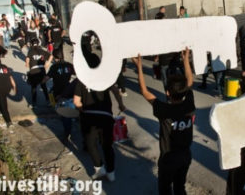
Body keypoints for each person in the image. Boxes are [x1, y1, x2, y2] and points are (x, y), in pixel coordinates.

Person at [133, 47, 195, 195]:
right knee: (180, 187)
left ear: (167, 93)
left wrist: (139, 67)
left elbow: (144, 91)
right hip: (185, 156)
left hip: (168, 160)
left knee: (165, 190)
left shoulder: (164, 110)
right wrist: (186, 59)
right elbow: (190, 81)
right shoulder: (189, 104)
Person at [73, 50, 126, 181]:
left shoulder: (82, 79)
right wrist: (120, 104)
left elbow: (76, 101)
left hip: (89, 118)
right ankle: (111, 173)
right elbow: (115, 91)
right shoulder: (105, 77)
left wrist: (82, 111)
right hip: (106, 116)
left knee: (91, 144)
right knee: (107, 145)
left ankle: (99, 168)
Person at [42, 49, 75, 139]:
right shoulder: (69, 65)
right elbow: (76, 73)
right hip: (68, 89)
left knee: (54, 98)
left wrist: (41, 80)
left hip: (58, 90)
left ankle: (67, 131)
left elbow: (46, 78)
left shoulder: (54, 67)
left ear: (55, 57)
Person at [25, 38, 53, 108]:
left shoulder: (30, 51)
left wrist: (28, 65)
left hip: (34, 71)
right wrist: (48, 63)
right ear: (38, 44)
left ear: (31, 44)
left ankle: (34, 104)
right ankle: (49, 101)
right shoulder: (41, 50)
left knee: (34, 87)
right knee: (44, 86)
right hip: (42, 71)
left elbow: (27, 61)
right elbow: (51, 56)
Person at [0, 45, 16, 127]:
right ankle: (0, 112)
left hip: (1, 88)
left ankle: (9, 122)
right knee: (2, 100)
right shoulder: (4, 67)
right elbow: (11, 79)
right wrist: (14, 87)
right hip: (7, 87)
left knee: (3, 104)